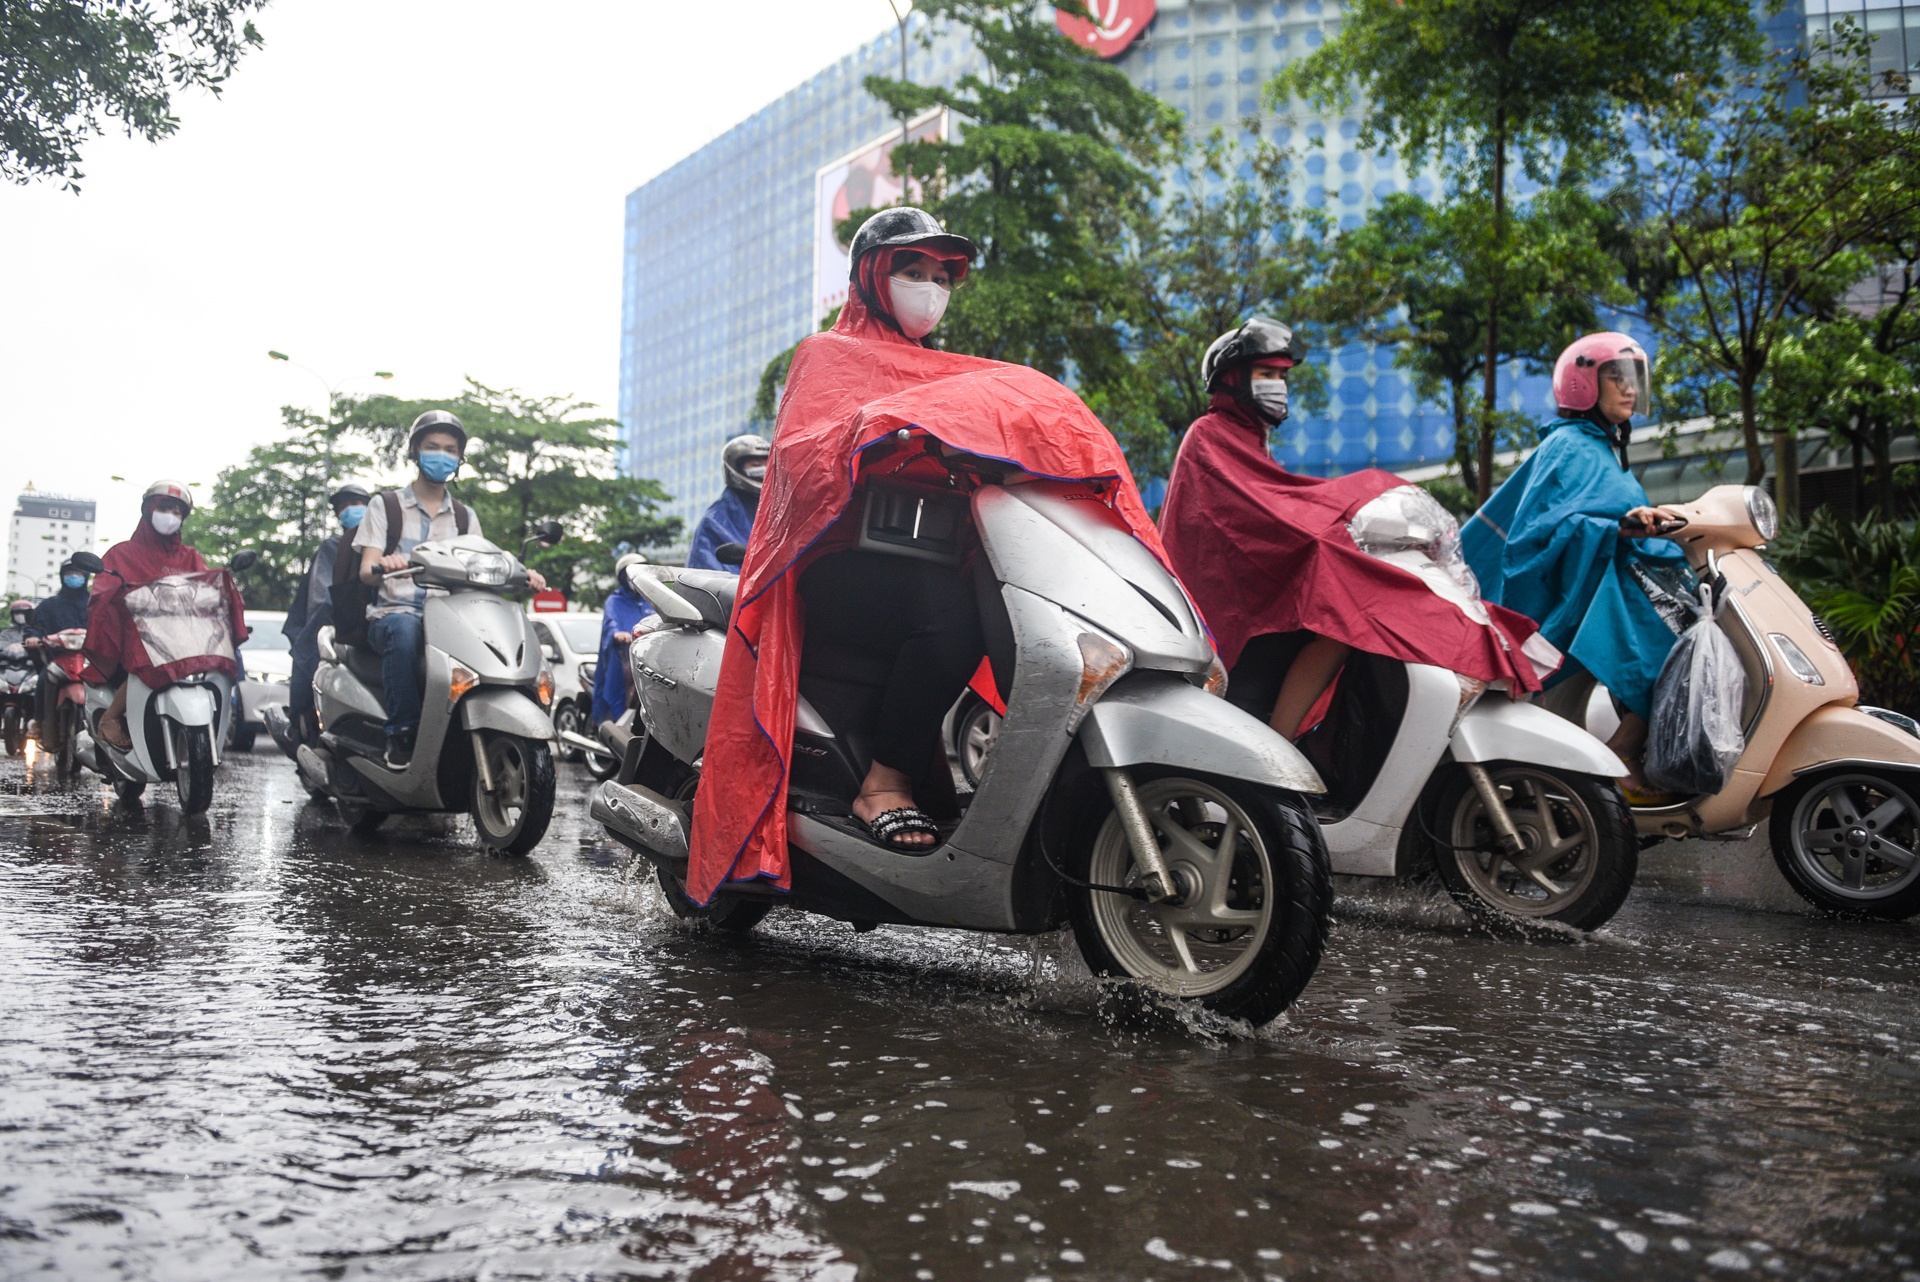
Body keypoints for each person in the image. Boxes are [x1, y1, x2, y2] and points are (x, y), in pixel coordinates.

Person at [686, 206, 1168, 901]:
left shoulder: (950, 376)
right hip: (840, 570)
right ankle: (884, 785)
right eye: (912, 270)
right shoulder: (826, 355)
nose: (930, 286)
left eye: (941, 275)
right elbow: (803, 460)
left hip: (935, 562)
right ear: (872, 278)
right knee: (952, 619)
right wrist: (885, 431)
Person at [1159, 318, 1557, 750]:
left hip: (1268, 587)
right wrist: (1349, 503)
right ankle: (1280, 746)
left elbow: (1280, 506)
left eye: (1282, 377)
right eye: (1266, 375)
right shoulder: (1208, 436)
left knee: (1346, 624)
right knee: (1342, 616)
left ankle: (1302, 744)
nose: (1278, 385)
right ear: (1233, 380)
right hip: (1237, 602)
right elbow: (1256, 518)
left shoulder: (1252, 439)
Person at [1461, 331, 1688, 793]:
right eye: (1617, 377)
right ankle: (1618, 756)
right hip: (1581, 598)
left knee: (1682, 644)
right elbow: (1533, 535)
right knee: (1664, 655)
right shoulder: (1567, 446)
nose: (1629, 388)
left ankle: (1622, 754)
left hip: (1612, 589)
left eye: (1634, 378)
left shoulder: (1602, 448)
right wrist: (1615, 527)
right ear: (1583, 383)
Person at [352, 412, 543, 768]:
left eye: (450, 450)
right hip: (395, 614)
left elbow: (482, 566)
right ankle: (402, 734)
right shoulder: (386, 506)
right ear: (415, 452)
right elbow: (366, 569)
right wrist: (387, 564)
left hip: (449, 620)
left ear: (459, 458)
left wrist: (522, 574)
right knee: (405, 631)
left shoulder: (464, 516)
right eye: (432, 447)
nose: (441, 455)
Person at [84, 481, 247, 751]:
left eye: (177, 511)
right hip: (134, 637)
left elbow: (206, 589)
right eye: (164, 507)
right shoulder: (121, 553)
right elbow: (103, 593)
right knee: (146, 657)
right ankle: (110, 718)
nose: (170, 515)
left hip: (182, 639)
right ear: (149, 509)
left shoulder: (190, 556)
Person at [283, 485, 370, 742]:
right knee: (308, 650)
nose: (351, 509)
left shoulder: (384, 543)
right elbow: (322, 597)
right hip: (336, 619)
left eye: (356, 502)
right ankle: (298, 722)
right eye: (343, 506)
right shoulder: (332, 547)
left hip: (375, 617)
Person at [686, 435, 768, 571]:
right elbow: (712, 578)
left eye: (768, 464)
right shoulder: (715, 521)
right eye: (756, 465)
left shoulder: (779, 509)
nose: (764, 469)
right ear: (736, 468)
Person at [592, 552, 655, 730]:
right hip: (621, 660)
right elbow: (611, 623)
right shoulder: (614, 601)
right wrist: (618, 634)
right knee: (618, 696)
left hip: (647, 660)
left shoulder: (649, 601)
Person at [31, 559, 92, 635]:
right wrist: (34, 637)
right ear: (62, 577)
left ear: (86, 577)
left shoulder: (94, 604)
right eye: (69, 573)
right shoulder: (48, 605)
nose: (74, 576)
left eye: (78, 573)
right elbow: (36, 627)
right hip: (55, 646)